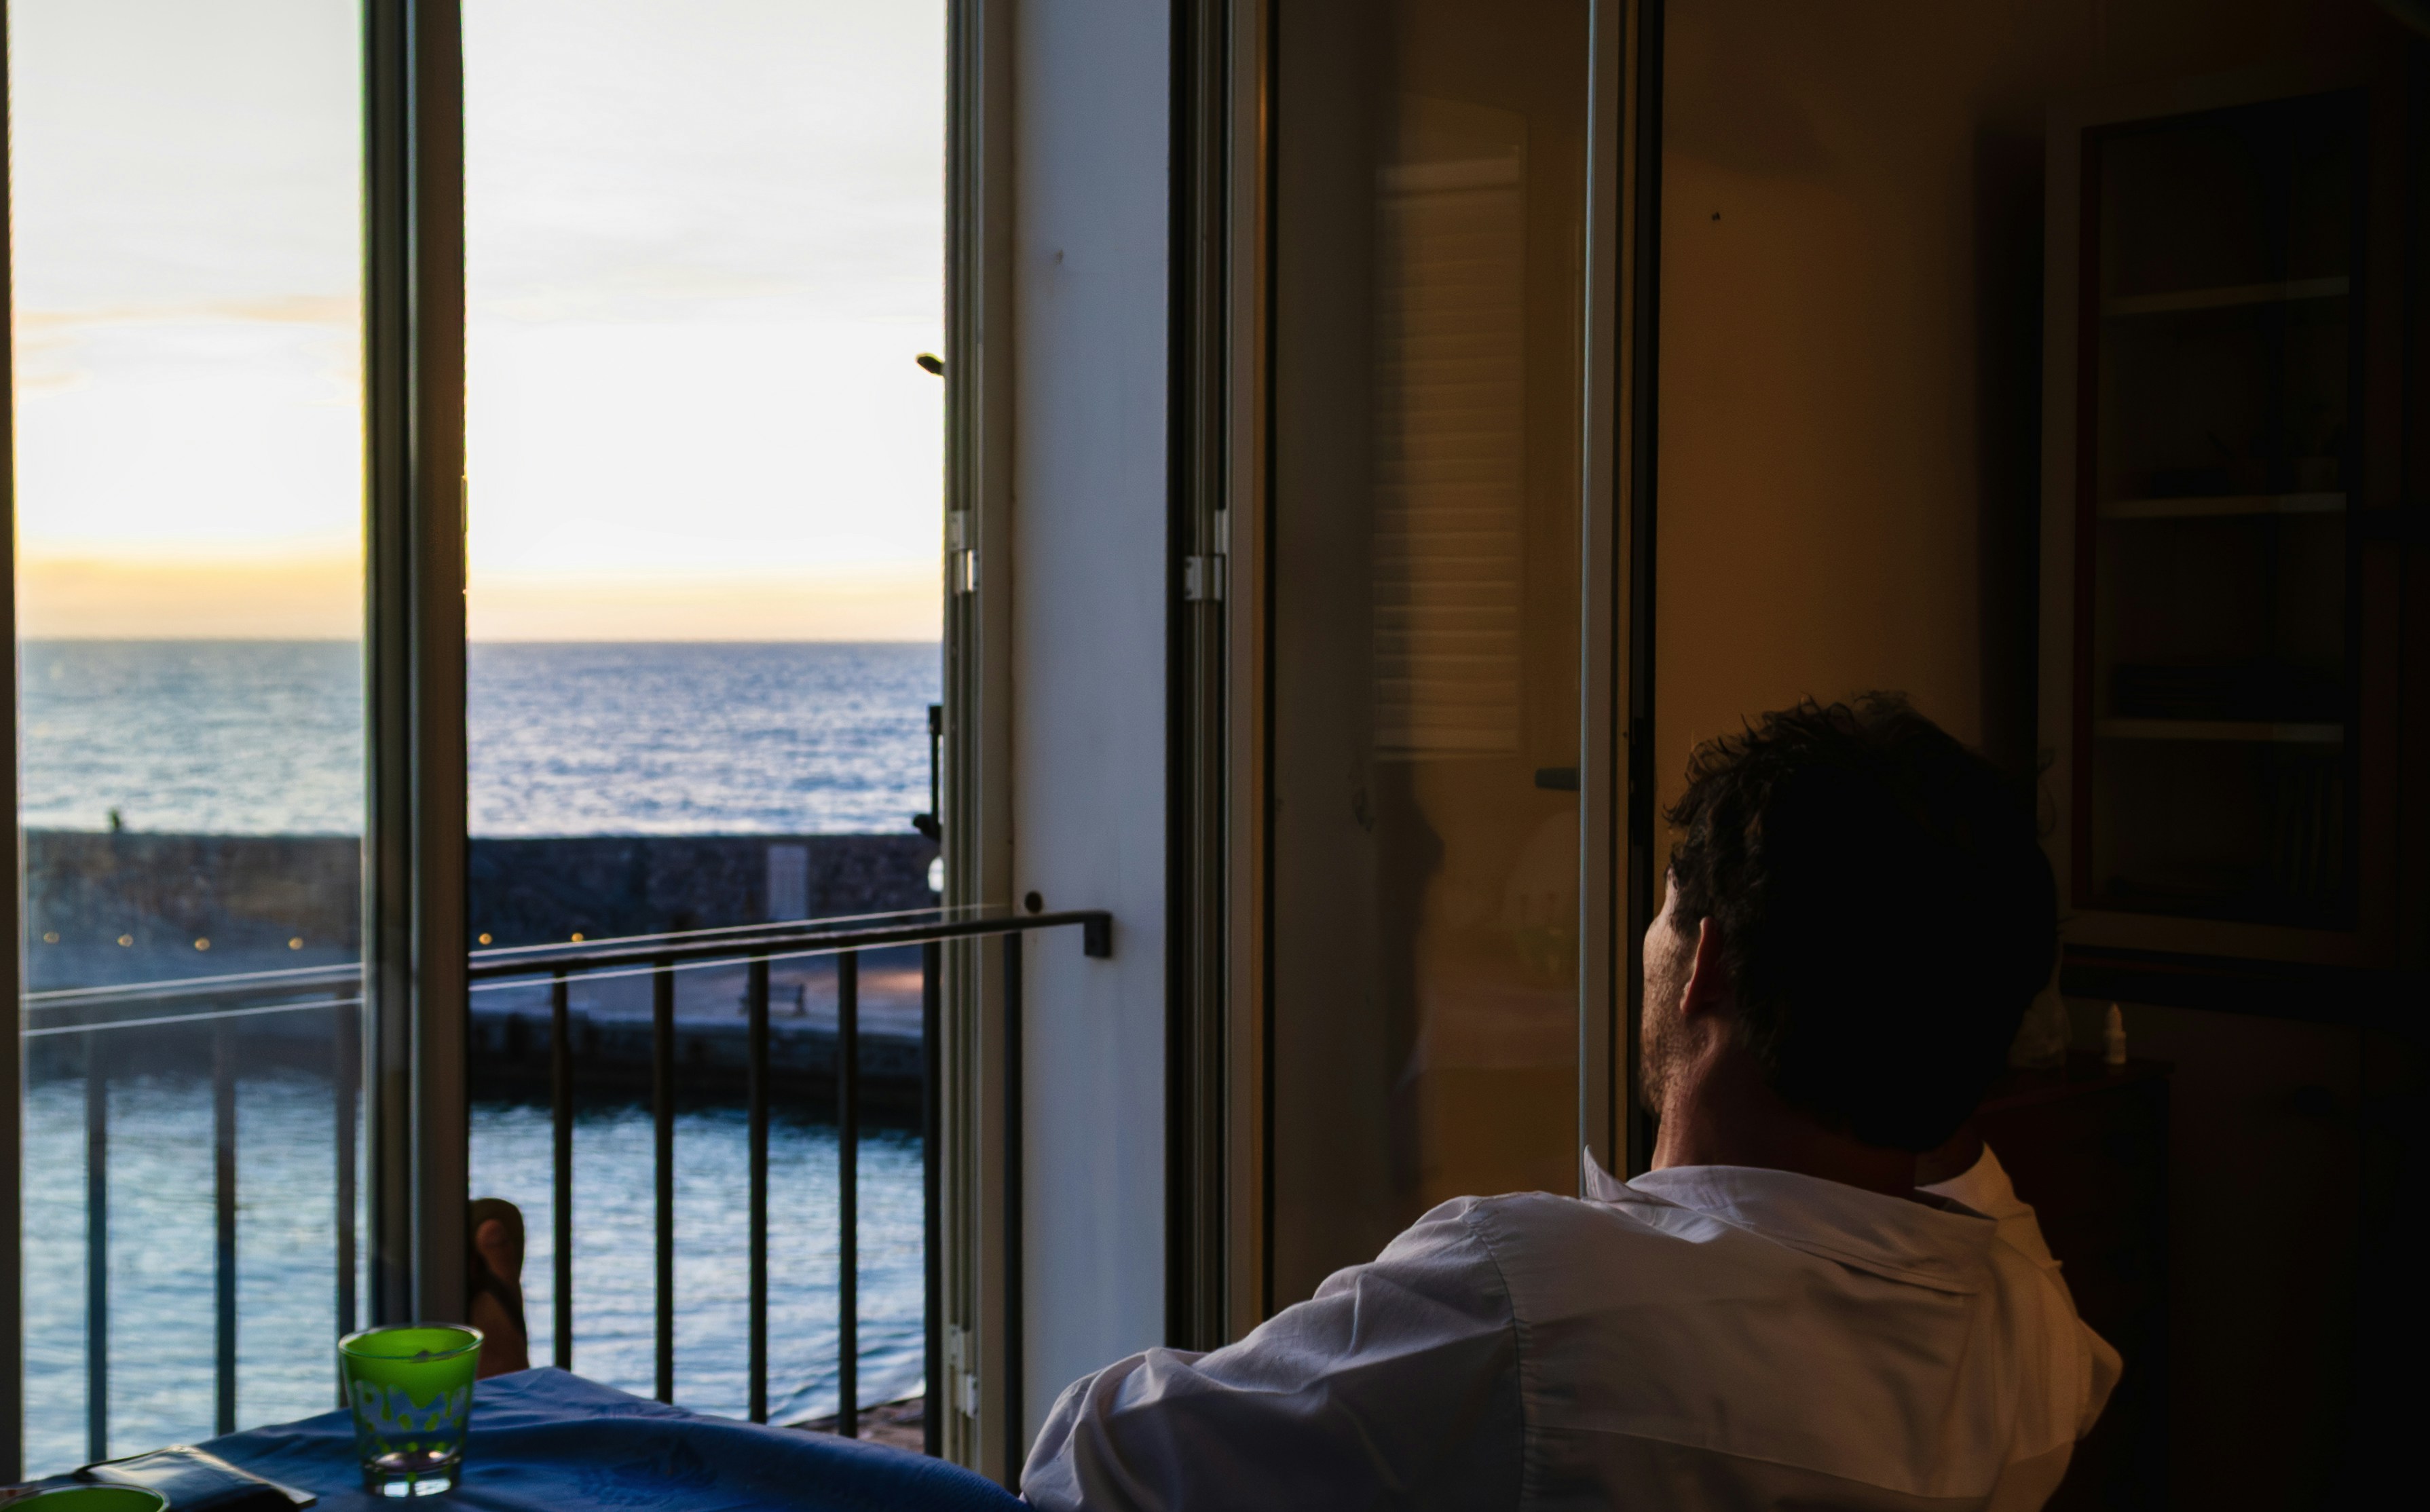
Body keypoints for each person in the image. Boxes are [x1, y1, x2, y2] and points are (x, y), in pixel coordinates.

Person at [1021, 695, 2120, 1511]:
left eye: (1663, 911)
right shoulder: (2039, 1337)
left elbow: (1095, 1472)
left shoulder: (1529, 1305)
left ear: (1706, 969)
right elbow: (1967, 1182)